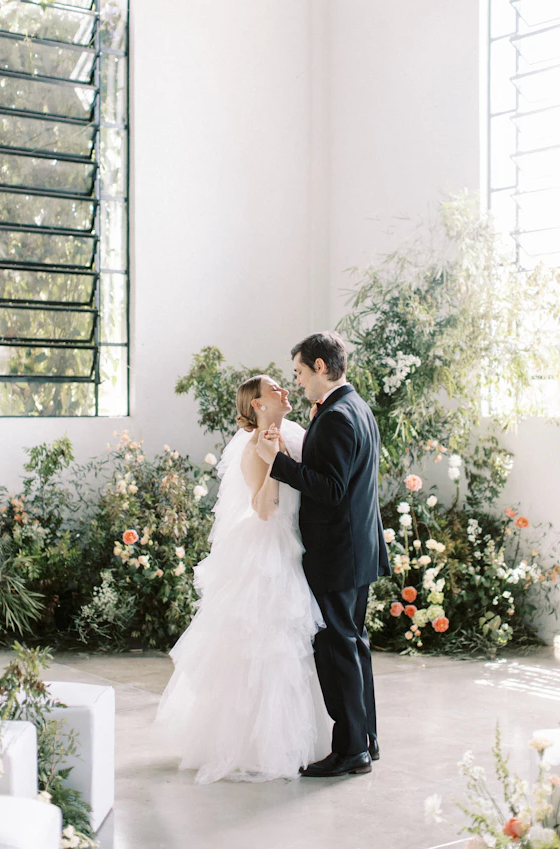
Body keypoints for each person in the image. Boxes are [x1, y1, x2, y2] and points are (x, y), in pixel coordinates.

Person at [156, 375, 331, 784]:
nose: (285, 391)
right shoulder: (254, 448)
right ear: (256, 404)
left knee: (291, 648)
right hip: (266, 551)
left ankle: (302, 741)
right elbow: (265, 508)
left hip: (294, 544)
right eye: (274, 389)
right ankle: (257, 746)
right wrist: (273, 461)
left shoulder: (292, 433)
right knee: (267, 646)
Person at [256, 331, 390, 777]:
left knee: (337, 649)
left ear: (319, 366)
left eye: (298, 371)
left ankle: (351, 749)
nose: (297, 382)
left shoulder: (335, 416)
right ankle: (365, 738)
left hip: (337, 553)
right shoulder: (356, 407)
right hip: (356, 550)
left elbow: (331, 490)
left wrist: (279, 464)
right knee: (354, 646)